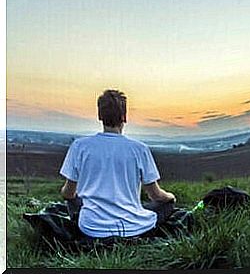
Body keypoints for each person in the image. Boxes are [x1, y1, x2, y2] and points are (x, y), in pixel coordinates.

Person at [59, 89, 176, 239]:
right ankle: (134, 215)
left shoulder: (80, 146)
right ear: (124, 117)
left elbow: (68, 193)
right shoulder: (140, 149)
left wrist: (78, 198)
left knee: (73, 200)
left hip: (91, 228)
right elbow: (156, 195)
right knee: (167, 204)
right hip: (134, 228)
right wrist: (171, 197)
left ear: (100, 116)